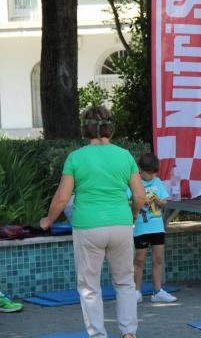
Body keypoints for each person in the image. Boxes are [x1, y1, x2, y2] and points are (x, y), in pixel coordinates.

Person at [39, 106, 145, 338]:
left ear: (85, 129)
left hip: (88, 227)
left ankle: (98, 335)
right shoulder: (124, 155)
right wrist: (134, 214)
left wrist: (48, 220)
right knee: (125, 283)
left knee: (89, 288)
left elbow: (63, 197)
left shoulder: (76, 158)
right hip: (121, 225)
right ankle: (129, 333)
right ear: (110, 128)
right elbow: (139, 196)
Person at [130, 153, 177, 304]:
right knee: (139, 259)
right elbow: (128, 202)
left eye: (153, 173)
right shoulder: (134, 182)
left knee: (158, 259)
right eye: (148, 173)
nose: (151, 176)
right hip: (141, 227)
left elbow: (165, 202)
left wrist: (159, 201)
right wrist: (140, 202)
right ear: (140, 169)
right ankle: (136, 291)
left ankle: (157, 291)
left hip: (157, 227)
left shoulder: (157, 182)